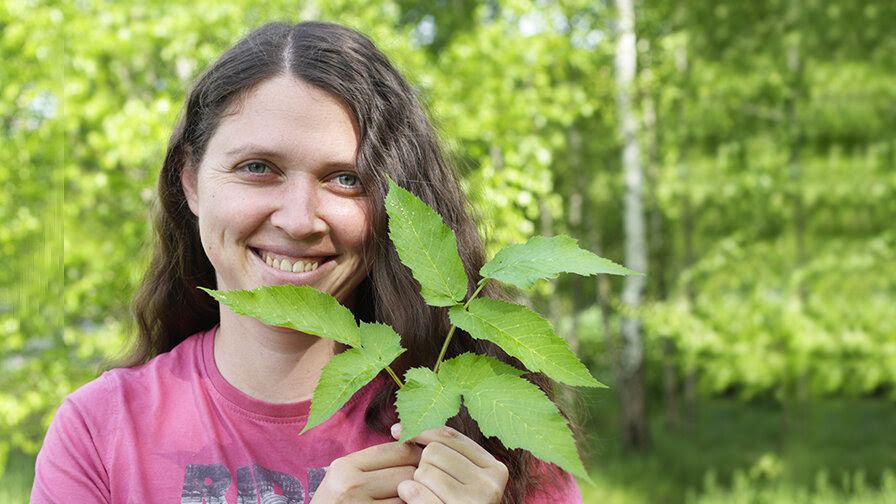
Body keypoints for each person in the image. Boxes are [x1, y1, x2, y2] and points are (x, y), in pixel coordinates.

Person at [32, 21, 583, 503]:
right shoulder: (100, 432)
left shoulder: (493, 436)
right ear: (191, 181)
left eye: (346, 179)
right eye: (257, 167)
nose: (300, 220)